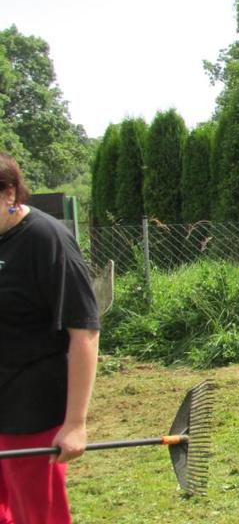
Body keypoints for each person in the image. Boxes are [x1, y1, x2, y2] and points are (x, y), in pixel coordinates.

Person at [0, 153, 100, 524]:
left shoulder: (47, 240)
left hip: (31, 413)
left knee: (36, 517)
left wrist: (75, 423)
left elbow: (85, 331)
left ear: (10, 193)